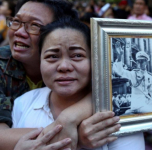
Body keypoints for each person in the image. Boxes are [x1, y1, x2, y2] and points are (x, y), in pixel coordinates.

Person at [0, 0, 120, 150]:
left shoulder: (86, 67)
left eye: (34, 25)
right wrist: (73, 134)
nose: (20, 32)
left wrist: (70, 118)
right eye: (16, 21)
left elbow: (118, 87)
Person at [12, 17, 144, 150]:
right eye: (52, 56)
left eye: (77, 55)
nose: (64, 66)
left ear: (94, 60)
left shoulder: (116, 117)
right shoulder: (23, 103)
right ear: (40, 61)